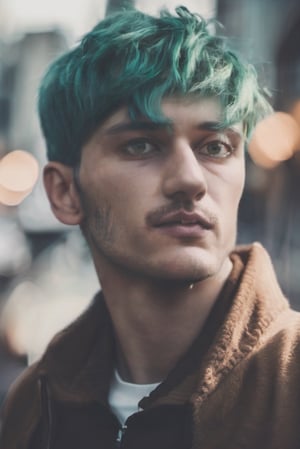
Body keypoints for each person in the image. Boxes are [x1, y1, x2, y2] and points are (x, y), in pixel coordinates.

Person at [1, 6, 300, 449]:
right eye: (141, 144)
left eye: (215, 146)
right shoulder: (32, 404)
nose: (191, 180)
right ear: (65, 193)